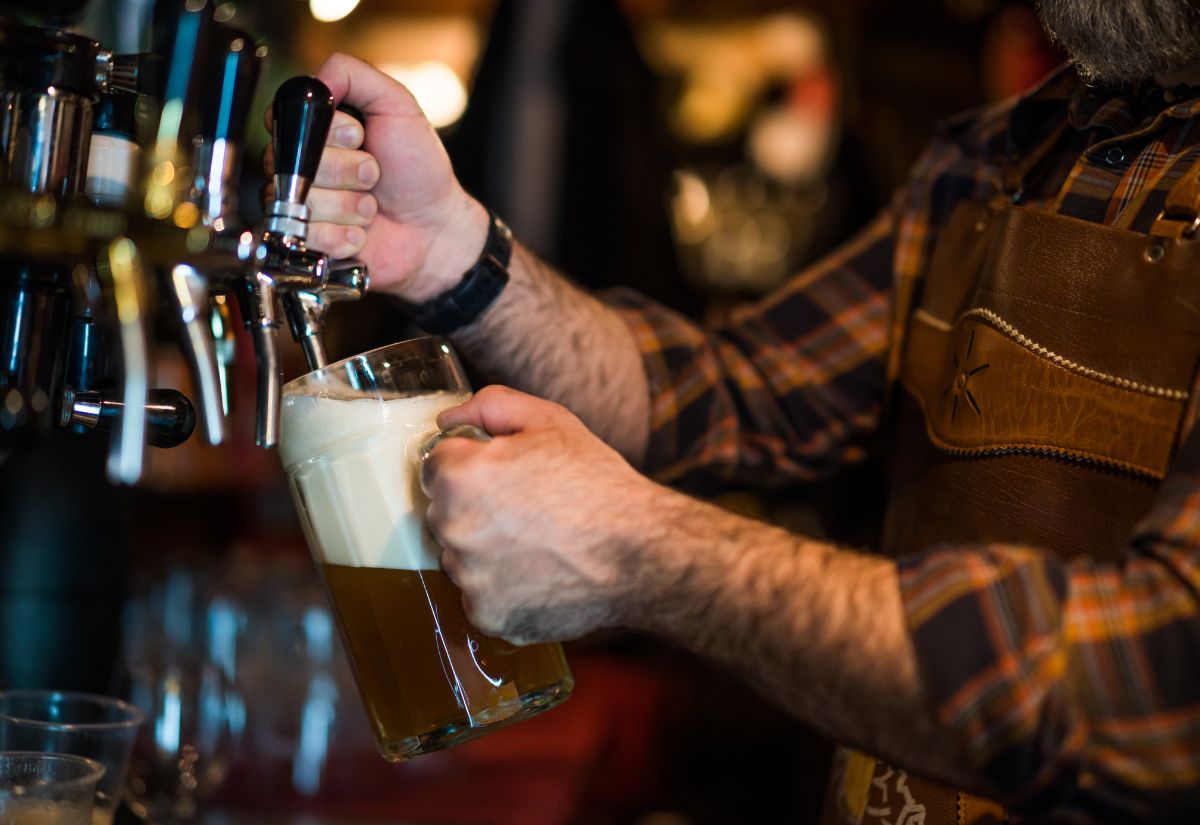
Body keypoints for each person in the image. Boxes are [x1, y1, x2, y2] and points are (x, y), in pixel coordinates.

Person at [268, 1, 1200, 820]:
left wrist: (643, 552)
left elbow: (1156, 684)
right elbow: (726, 392)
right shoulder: (1010, 152)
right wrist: (447, 252)